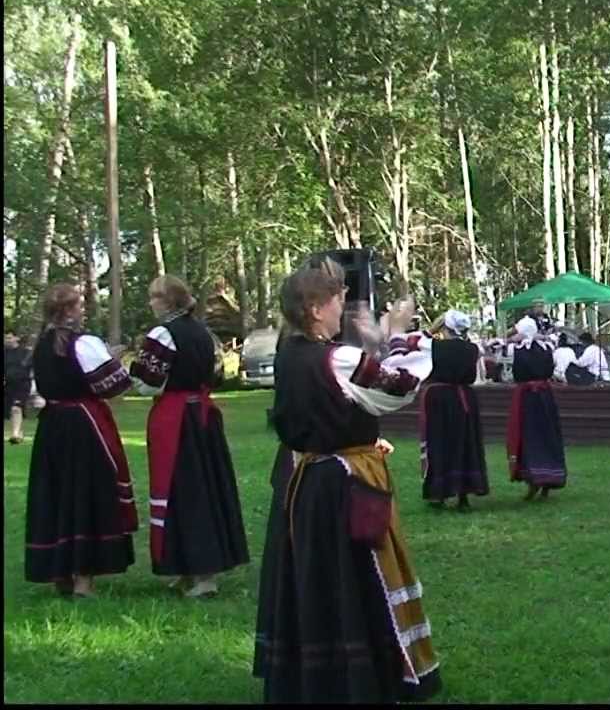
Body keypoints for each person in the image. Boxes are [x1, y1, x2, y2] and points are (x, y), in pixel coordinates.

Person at [252, 262, 442, 703]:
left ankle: (318, 680)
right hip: (342, 486)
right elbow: (400, 385)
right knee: (358, 581)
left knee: (320, 581)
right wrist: (397, 334)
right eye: (336, 298)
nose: (342, 306)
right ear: (316, 309)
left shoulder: (291, 352)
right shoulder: (335, 359)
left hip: (307, 486)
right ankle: (362, 679)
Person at [129, 275, 249, 598]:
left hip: (176, 419)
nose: (151, 303)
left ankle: (201, 574)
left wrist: (131, 370)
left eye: (154, 297)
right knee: (205, 487)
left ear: (168, 301)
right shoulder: (203, 332)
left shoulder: (162, 334)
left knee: (183, 491)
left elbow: (148, 382)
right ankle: (188, 569)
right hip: (203, 418)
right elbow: (218, 374)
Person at [24, 284, 138, 598]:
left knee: (58, 494)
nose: (83, 310)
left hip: (52, 426)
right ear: (70, 310)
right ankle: (85, 580)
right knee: (87, 493)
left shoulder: (41, 344)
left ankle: (61, 573)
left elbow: (38, 389)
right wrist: (113, 358)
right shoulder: (84, 343)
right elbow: (116, 385)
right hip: (84, 424)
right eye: (79, 305)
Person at [419, 309, 489, 512]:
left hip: (440, 399)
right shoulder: (472, 349)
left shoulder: (434, 346)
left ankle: (439, 493)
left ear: (445, 327)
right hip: (465, 398)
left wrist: (433, 328)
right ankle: (463, 495)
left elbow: (415, 340)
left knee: (440, 442)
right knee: (465, 442)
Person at [505, 317, 567, 500]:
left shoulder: (517, 349)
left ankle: (534, 478)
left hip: (527, 397)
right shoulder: (547, 348)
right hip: (544, 396)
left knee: (529, 435)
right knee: (546, 434)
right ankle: (546, 479)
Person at [6, 332, 33, 444]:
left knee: (16, 408)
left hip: (22, 385)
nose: (7, 340)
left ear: (16, 338)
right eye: (6, 338)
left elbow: (32, 368)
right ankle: (18, 431)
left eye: (9, 337)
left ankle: (15, 434)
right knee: (11, 410)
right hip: (8, 385)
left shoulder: (25, 352)